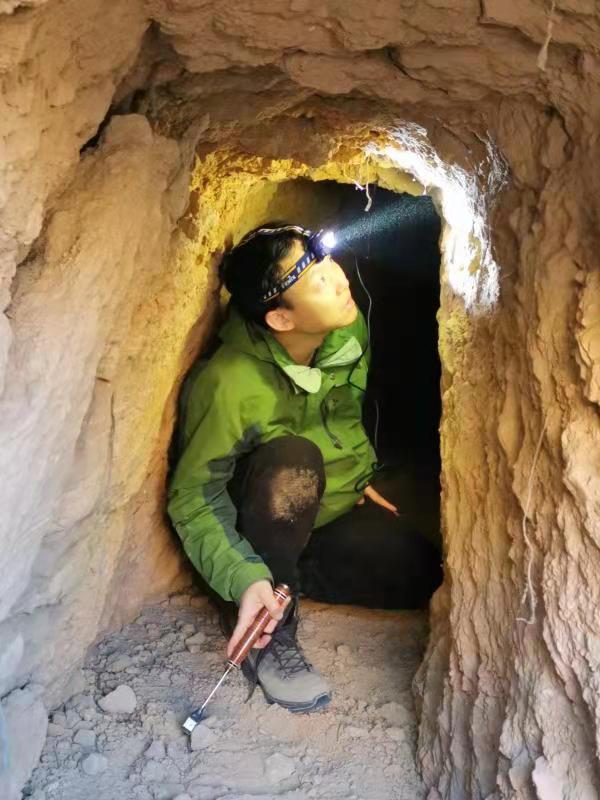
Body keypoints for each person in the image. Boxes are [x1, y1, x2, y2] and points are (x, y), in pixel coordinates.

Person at [167, 222, 442, 713]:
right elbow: (192, 497)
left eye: (328, 263)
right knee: (294, 462)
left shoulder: (344, 331)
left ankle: (290, 576)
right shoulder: (230, 383)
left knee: (424, 575)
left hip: (320, 517)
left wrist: (355, 478)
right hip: (257, 523)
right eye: (317, 281)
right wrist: (242, 574)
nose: (338, 279)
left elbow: (339, 415)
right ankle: (265, 619)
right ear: (281, 318)